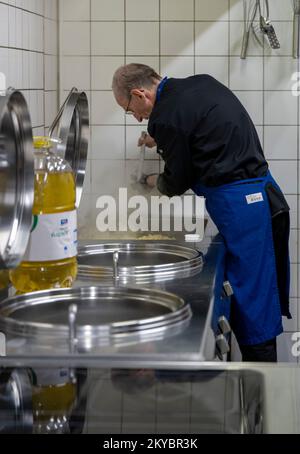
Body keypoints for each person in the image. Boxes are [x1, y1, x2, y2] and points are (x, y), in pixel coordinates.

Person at [112, 63, 291, 362]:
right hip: (261, 194)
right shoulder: (198, 84)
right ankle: (257, 384)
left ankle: (262, 387)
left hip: (242, 205)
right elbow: (198, 129)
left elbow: (177, 179)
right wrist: (161, 140)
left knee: (252, 297)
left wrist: (150, 182)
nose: (137, 118)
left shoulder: (166, 118)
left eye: (129, 109)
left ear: (139, 93)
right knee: (255, 290)